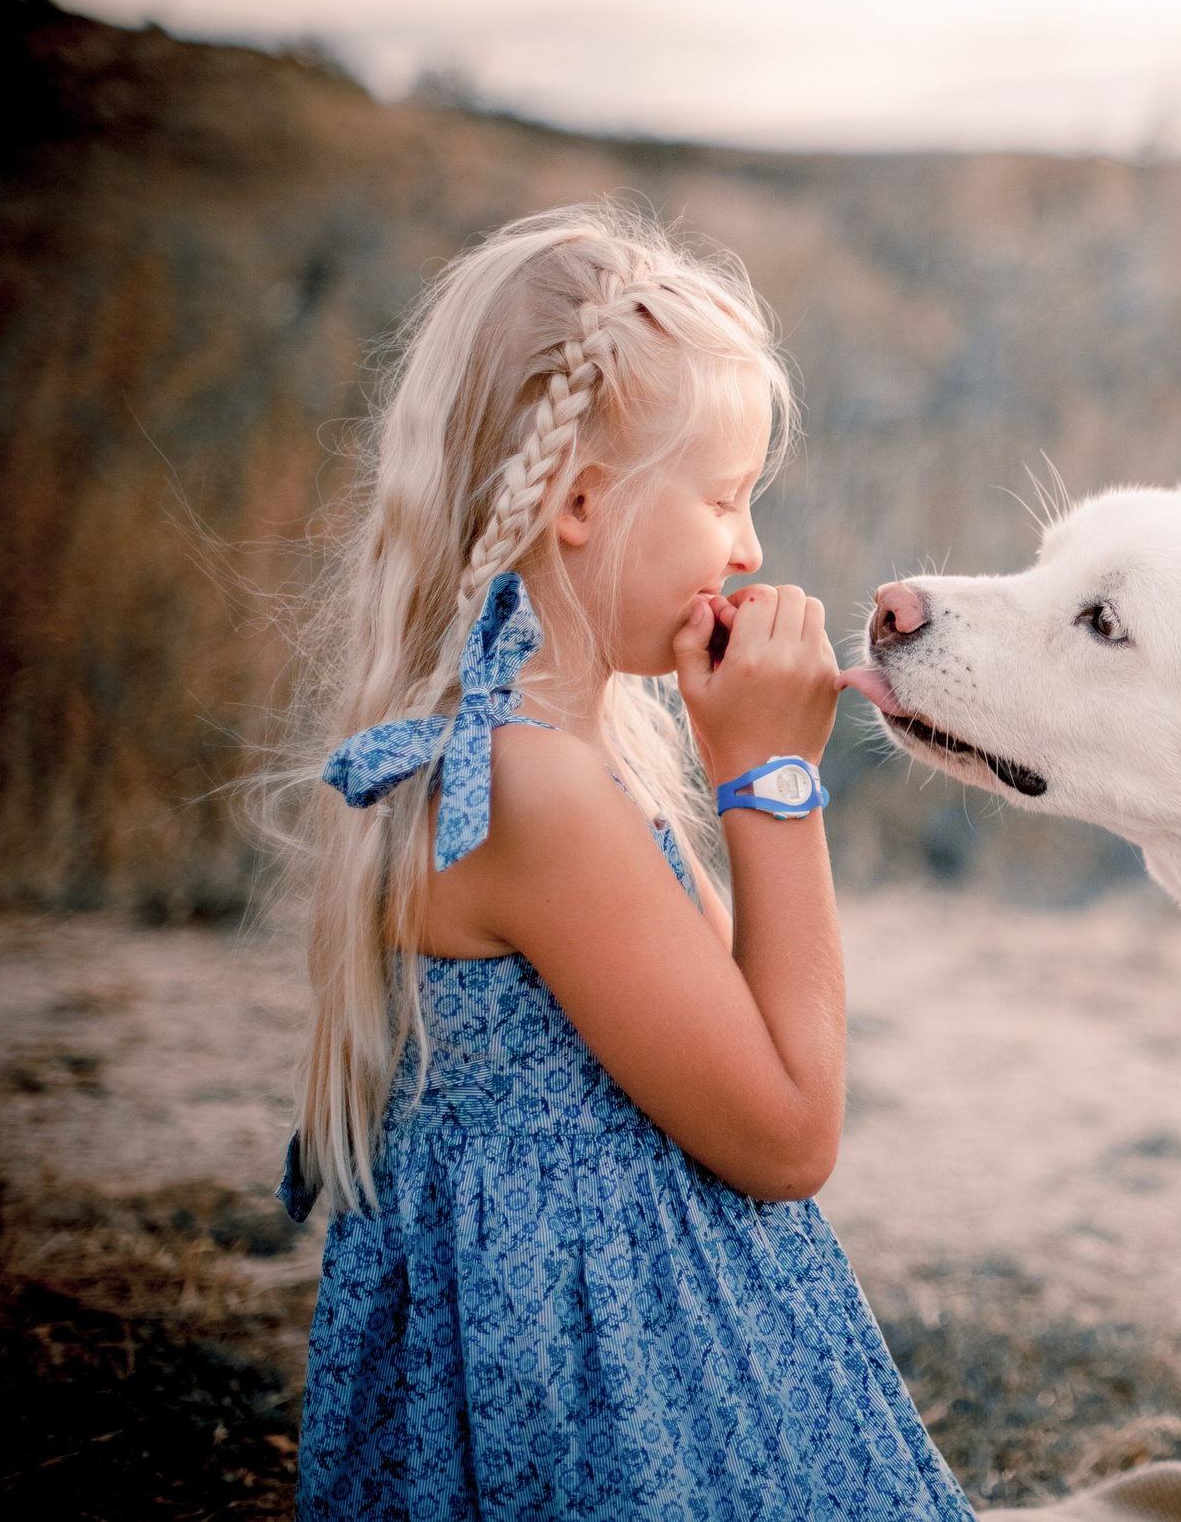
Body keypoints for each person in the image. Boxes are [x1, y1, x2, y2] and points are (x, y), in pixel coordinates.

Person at [265, 203, 968, 1520]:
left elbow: (734, 1026)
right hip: (609, 1393)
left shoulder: (542, 757)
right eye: (721, 498)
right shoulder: (531, 790)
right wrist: (772, 781)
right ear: (581, 502)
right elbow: (788, 1129)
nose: (750, 547)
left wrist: (728, 751)